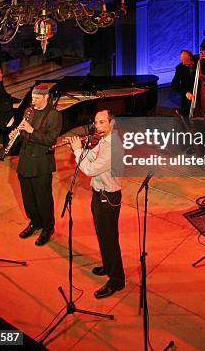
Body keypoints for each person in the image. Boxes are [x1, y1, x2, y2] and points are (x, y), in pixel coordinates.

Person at [69, 109, 125, 299]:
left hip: (108, 198)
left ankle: (117, 280)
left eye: (102, 122)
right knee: (103, 236)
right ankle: (108, 266)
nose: (97, 126)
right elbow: (91, 156)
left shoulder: (113, 146)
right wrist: (83, 149)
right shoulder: (104, 140)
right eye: (96, 122)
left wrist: (77, 150)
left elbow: (90, 169)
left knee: (110, 239)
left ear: (112, 123)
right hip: (99, 194)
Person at [10, 83, 62, 246]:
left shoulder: (54, 116)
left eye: (36, 98)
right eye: (32, 97)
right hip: (25, 162)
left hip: (41, 164)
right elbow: (23, 133)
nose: (33, 101)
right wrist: (16, 134)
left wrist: (32, 131)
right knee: (28, 197)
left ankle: (48, 227)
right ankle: (35, 222)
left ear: (46, 97)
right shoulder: (29, 111)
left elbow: (50, 140)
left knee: (43, 199)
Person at [171, 49, 205, 116]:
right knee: (186, 114)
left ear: (190, 57)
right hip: (189, 96)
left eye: (185, 60)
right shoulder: (180, 68)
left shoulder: (201, 60)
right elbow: (174, 84)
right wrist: (186, 93)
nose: (183, 63)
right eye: (182, 60)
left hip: (204, 93)